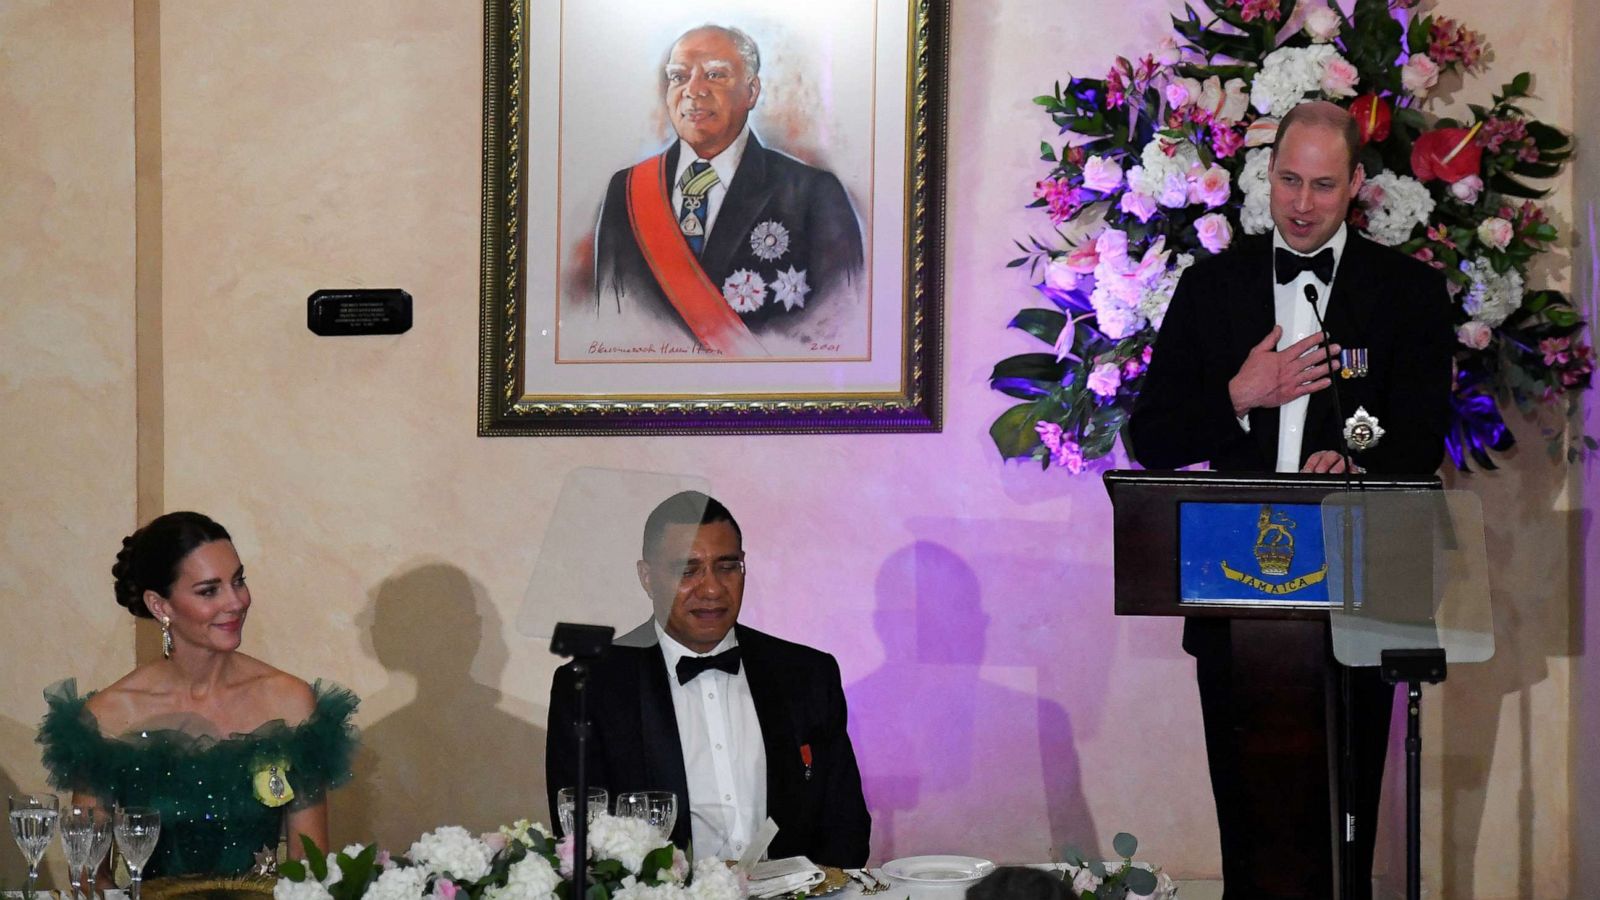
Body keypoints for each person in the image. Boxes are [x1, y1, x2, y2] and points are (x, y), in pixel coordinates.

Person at [1128, 101, 1453, 898]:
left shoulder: (1408, 292)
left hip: (1356, 587)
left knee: (1346, 820)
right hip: (1233, 598)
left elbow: (1422, 440)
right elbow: (1152, 439)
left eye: (1322, 184)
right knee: (1247, 821)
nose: (1301, 203)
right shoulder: (1212, 287)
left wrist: (1355, 466)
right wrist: (1240, 394)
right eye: (1287, 181)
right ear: (1264, 178)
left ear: (1356, 188)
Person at [545, 491, 870, 867]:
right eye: (688, 570)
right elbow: (583, 843)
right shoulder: (592, 685)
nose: (713, 588)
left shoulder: (808, 674)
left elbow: (846, 825)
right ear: (647, 578)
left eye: (727, 566)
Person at [37, 512, 359, 877]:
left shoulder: (289, 702)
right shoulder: (110, 715)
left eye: (238, 581)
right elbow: (90, 877)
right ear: (161, 606)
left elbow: (310, 870)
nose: (236, 602)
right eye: (209, 590)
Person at [590, 25, 865, 356]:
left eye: (715, 75)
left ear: (751, 91)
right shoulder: (627, 190)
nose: (693, 90)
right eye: (678, 77)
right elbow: (608, 314)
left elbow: (842, 323)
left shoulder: (812, 193)